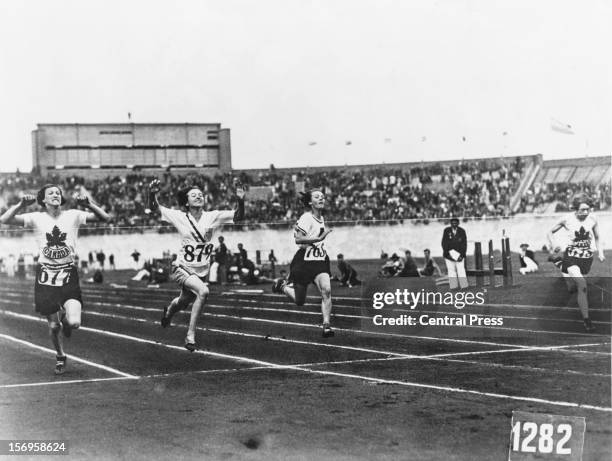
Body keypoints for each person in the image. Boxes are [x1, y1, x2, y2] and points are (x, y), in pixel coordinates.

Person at [0, 184, 110, 374]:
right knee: (53, 325)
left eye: (58, 193)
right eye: (51, 193)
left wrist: (89, 204)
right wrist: (20, 205)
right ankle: (60, 355)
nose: (56, 195)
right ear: (43, 199)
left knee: (74, 322)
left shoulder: (73, 215)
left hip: (68, 273)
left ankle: (67, 321)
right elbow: (4, 219)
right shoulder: (36, 217)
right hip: (46, 276)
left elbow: (106, 218)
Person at [149, 179, 245, 351]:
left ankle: (169, 312)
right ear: (186, 201)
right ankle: (190, 335)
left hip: (200, 271)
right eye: (194, 195)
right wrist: (152, 194)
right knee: (204, 291)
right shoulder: (180, 217)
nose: (198, 196)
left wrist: (240, 200)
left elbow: (238, 216)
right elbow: (156, 208)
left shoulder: (212, 216)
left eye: (200, 194)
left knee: (183, 301)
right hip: (182, 267)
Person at [281, 189, 335, 337]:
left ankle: (326, 326)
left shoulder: (321, 217)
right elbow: (298, 239)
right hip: (303, 261)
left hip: (319, 260)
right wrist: (318, 239)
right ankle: (283, 287)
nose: (321, 198)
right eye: (317, 197)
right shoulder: (306, 217)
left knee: (327, 290)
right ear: (310, 202)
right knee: (299, 301)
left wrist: (320, 242)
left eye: (323, 197)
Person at [547, 195, 605, 332]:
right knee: (582, 285)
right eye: (582, 210)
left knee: (573, 288)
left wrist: (600, 252)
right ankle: (587, 320)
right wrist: (554, 243)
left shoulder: (593, 219)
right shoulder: (567, 219)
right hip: (571, 256)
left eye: (588, 209)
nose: (585, 212)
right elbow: (550, 232)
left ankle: (558, 262)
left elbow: (597, 237)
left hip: (586, 258)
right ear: (575, 209)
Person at [441, 217, 468, 289]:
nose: (454, 224)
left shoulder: (462, 231)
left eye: (456, 223)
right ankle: (453, 286)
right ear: (450, 224)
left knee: (461, 269)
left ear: (458, 223)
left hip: (459, 255)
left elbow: (464, 244)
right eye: (452, 223)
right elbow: (444, 243)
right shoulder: (446, 231)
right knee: (451, 270)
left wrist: (462, 255)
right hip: (449, 255)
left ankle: (464, 286)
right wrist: (448, 254)